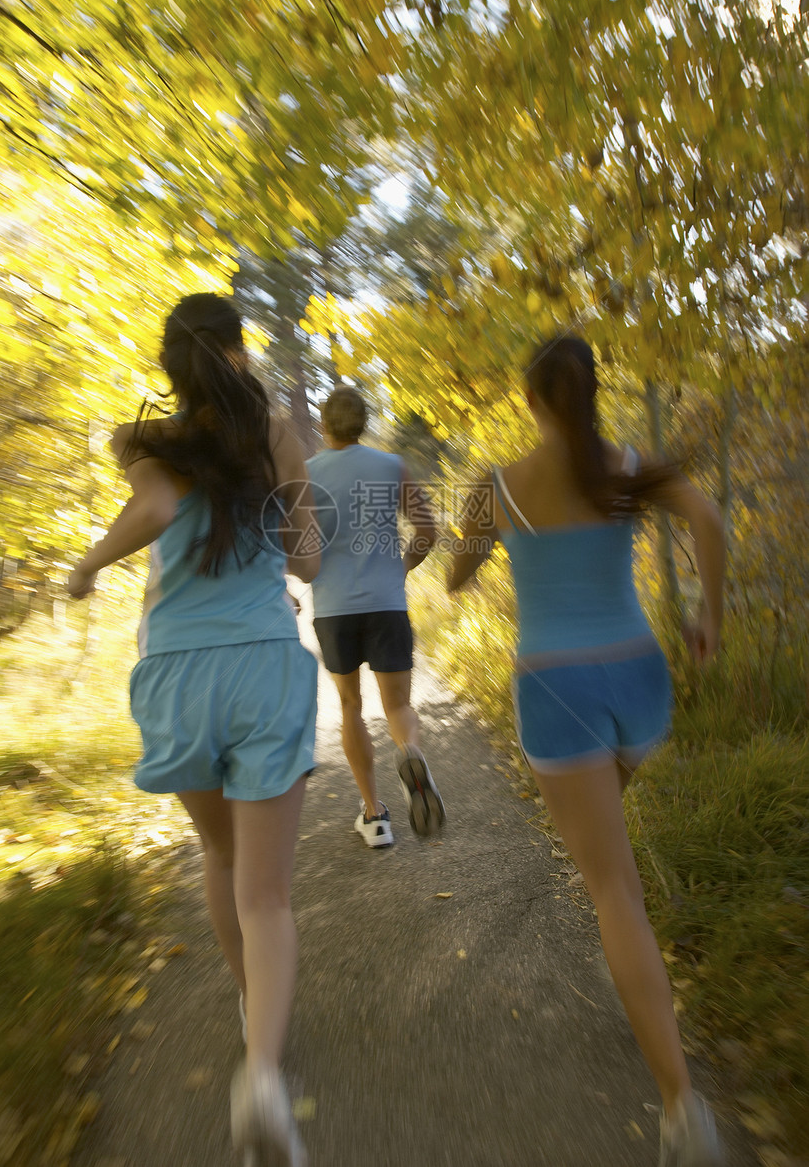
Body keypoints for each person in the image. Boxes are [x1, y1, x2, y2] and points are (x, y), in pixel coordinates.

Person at [447, 336, 726, 1167]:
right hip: (640, 683)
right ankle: (633, 968)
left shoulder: (497, 487)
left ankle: (682, 1107)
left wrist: (472, 546)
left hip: (557, 692)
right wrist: (712, 616)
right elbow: (708, 517)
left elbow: (458, 576)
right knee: (612, 860)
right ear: (591, 393)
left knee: (613, 890)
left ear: (532, 402)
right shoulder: (627, 465)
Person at [68, 293, 319, 1167]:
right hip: (258, 662)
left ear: (171, 366)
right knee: (269, 895)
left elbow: (156, 514)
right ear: (241, 351)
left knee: (219, 860)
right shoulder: (277, 434)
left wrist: (89, 563)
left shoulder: (144, 444)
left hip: (174, 675)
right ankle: (261, 1077)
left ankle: (254, 1008)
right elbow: (311, 559)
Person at [306, 384, 445, 847]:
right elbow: (427, 529)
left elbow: (294, 548)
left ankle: (375, 816)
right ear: (364, 424)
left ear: (325, 424)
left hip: (333, 608)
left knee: (350, 707)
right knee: (399, 706)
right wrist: (401, 566)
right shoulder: (391, 467)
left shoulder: (306, 475)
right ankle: (410, 754)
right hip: (386, 603)